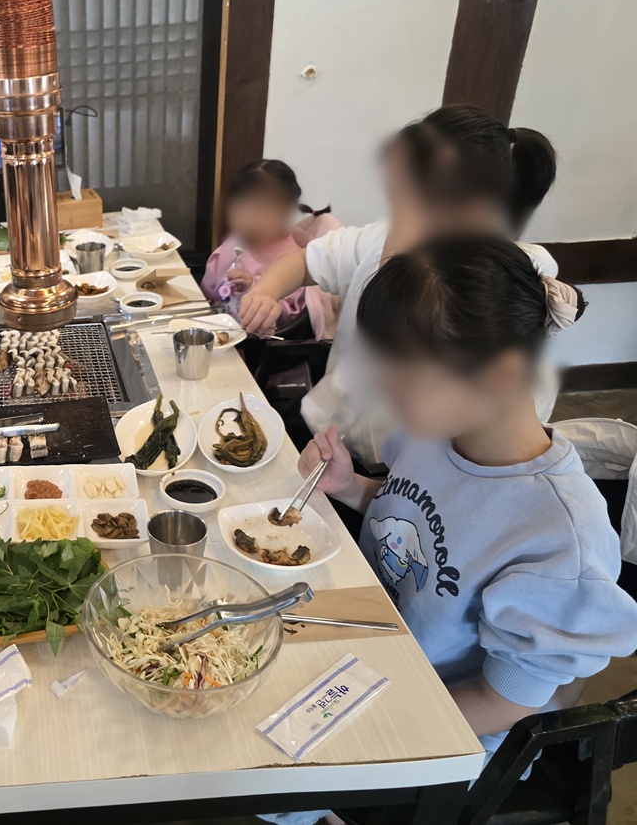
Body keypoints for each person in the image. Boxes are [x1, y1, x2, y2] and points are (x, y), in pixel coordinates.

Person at [300, 236, 637, 756]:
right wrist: (350, 487)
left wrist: (372, 722)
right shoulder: (434, 433)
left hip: (442, 729)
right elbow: (410, 513)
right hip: (369, 647)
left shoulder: (560, 537)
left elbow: (505, 702)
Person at [237, 105, 559, 467]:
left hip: (406, 469)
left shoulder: (506, 277)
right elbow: (304, 262)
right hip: (326, 428)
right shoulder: (382, 235)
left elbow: (517, 411)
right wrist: (265, 292)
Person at [200, 159, 341, 339]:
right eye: (240, 207)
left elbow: (287, 321)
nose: (248, 218)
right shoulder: (233, 244)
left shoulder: (295, 262)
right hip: (211, 333)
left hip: (252, 349)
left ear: (287, 211)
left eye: (260, 209)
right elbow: (205, 293)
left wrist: (252, 288)